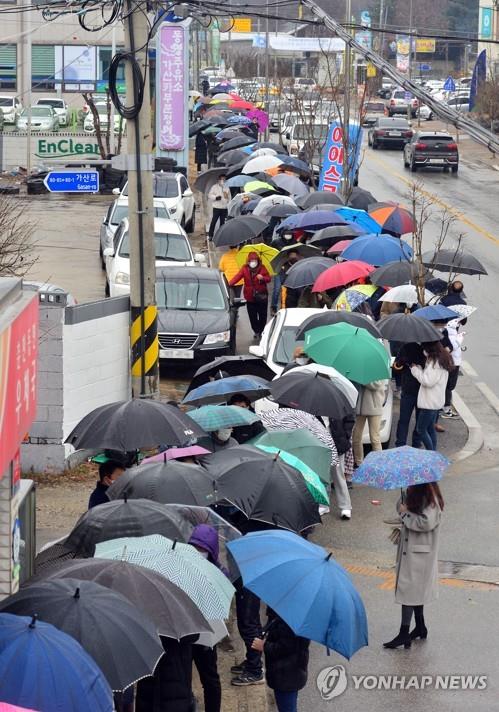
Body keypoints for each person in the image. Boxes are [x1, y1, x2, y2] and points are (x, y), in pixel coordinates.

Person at [384, 482, 444, 650]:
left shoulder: (431, 499)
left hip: (420, 554)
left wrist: (405, 513)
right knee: (415, 590)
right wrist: (403, 503)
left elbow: (425, 522)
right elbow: (402, 508)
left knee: (409, 591)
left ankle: (404, 632)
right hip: (414, 551)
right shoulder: (418, 493)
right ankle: (420, 626)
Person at [189, 525, 228, 712]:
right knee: (184, 677)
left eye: (202, 549)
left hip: (204, 635)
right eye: (195, 548)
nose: (198, 552)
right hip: (188, 631)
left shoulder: (219, 574)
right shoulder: (183, 565)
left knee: (210, 679)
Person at [251, 609, 310, 712]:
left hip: (287, 674)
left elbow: (286, 647)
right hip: (289, 672)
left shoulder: (292, 620)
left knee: (287, 708)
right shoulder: (295, 614)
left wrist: (264, 646)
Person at [410, 342, 453, 451]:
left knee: (421, 430)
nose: (424, 351)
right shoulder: (441, 360)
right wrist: (421, 369)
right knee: (430, 429)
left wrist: (415, 370)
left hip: (429, 403)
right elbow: (430, 377)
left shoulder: (435, 363)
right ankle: (433, 453)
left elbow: (427, 381)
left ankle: (431, 453)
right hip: (435, 401)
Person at [229, 252, 271, 339]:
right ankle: (256, 331)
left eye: (255, 260)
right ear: (248, 261)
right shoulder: (244, 269)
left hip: (262, 296)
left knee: (263, 315)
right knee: (252, 316)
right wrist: (228, 284)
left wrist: (262, 278)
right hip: (250, 297)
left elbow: (269, 279)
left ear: (258, 261)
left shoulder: (262, 268)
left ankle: (261, 330)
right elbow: (237, 277)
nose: (253, 262)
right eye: (251, 260)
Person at [394, 343, 425, 448]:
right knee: (405, 419)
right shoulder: (406, 347)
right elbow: (396, 367)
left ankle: (411, 443)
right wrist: (402, 361)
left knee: (416, 420)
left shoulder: (427, 349)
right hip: (410, 390)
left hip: (420, 390)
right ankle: (402, 443)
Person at [351, 380, 388, 466]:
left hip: (375, 408)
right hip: (359, 408)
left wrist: (363, 380)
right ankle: (359, 463)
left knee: (375, 438)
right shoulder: (359, 371)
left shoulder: (378, 368)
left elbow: (376, 385)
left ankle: (379, 464)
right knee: (356, 437)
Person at [329, 411, 356, 519]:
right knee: (321, 474)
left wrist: (345, 435)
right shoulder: (314, 401)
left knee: (338, 473)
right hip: (319, 439)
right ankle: (323, 504)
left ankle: (345, 506)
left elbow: (350, 419)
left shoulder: (338, 400)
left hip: (337, 441)